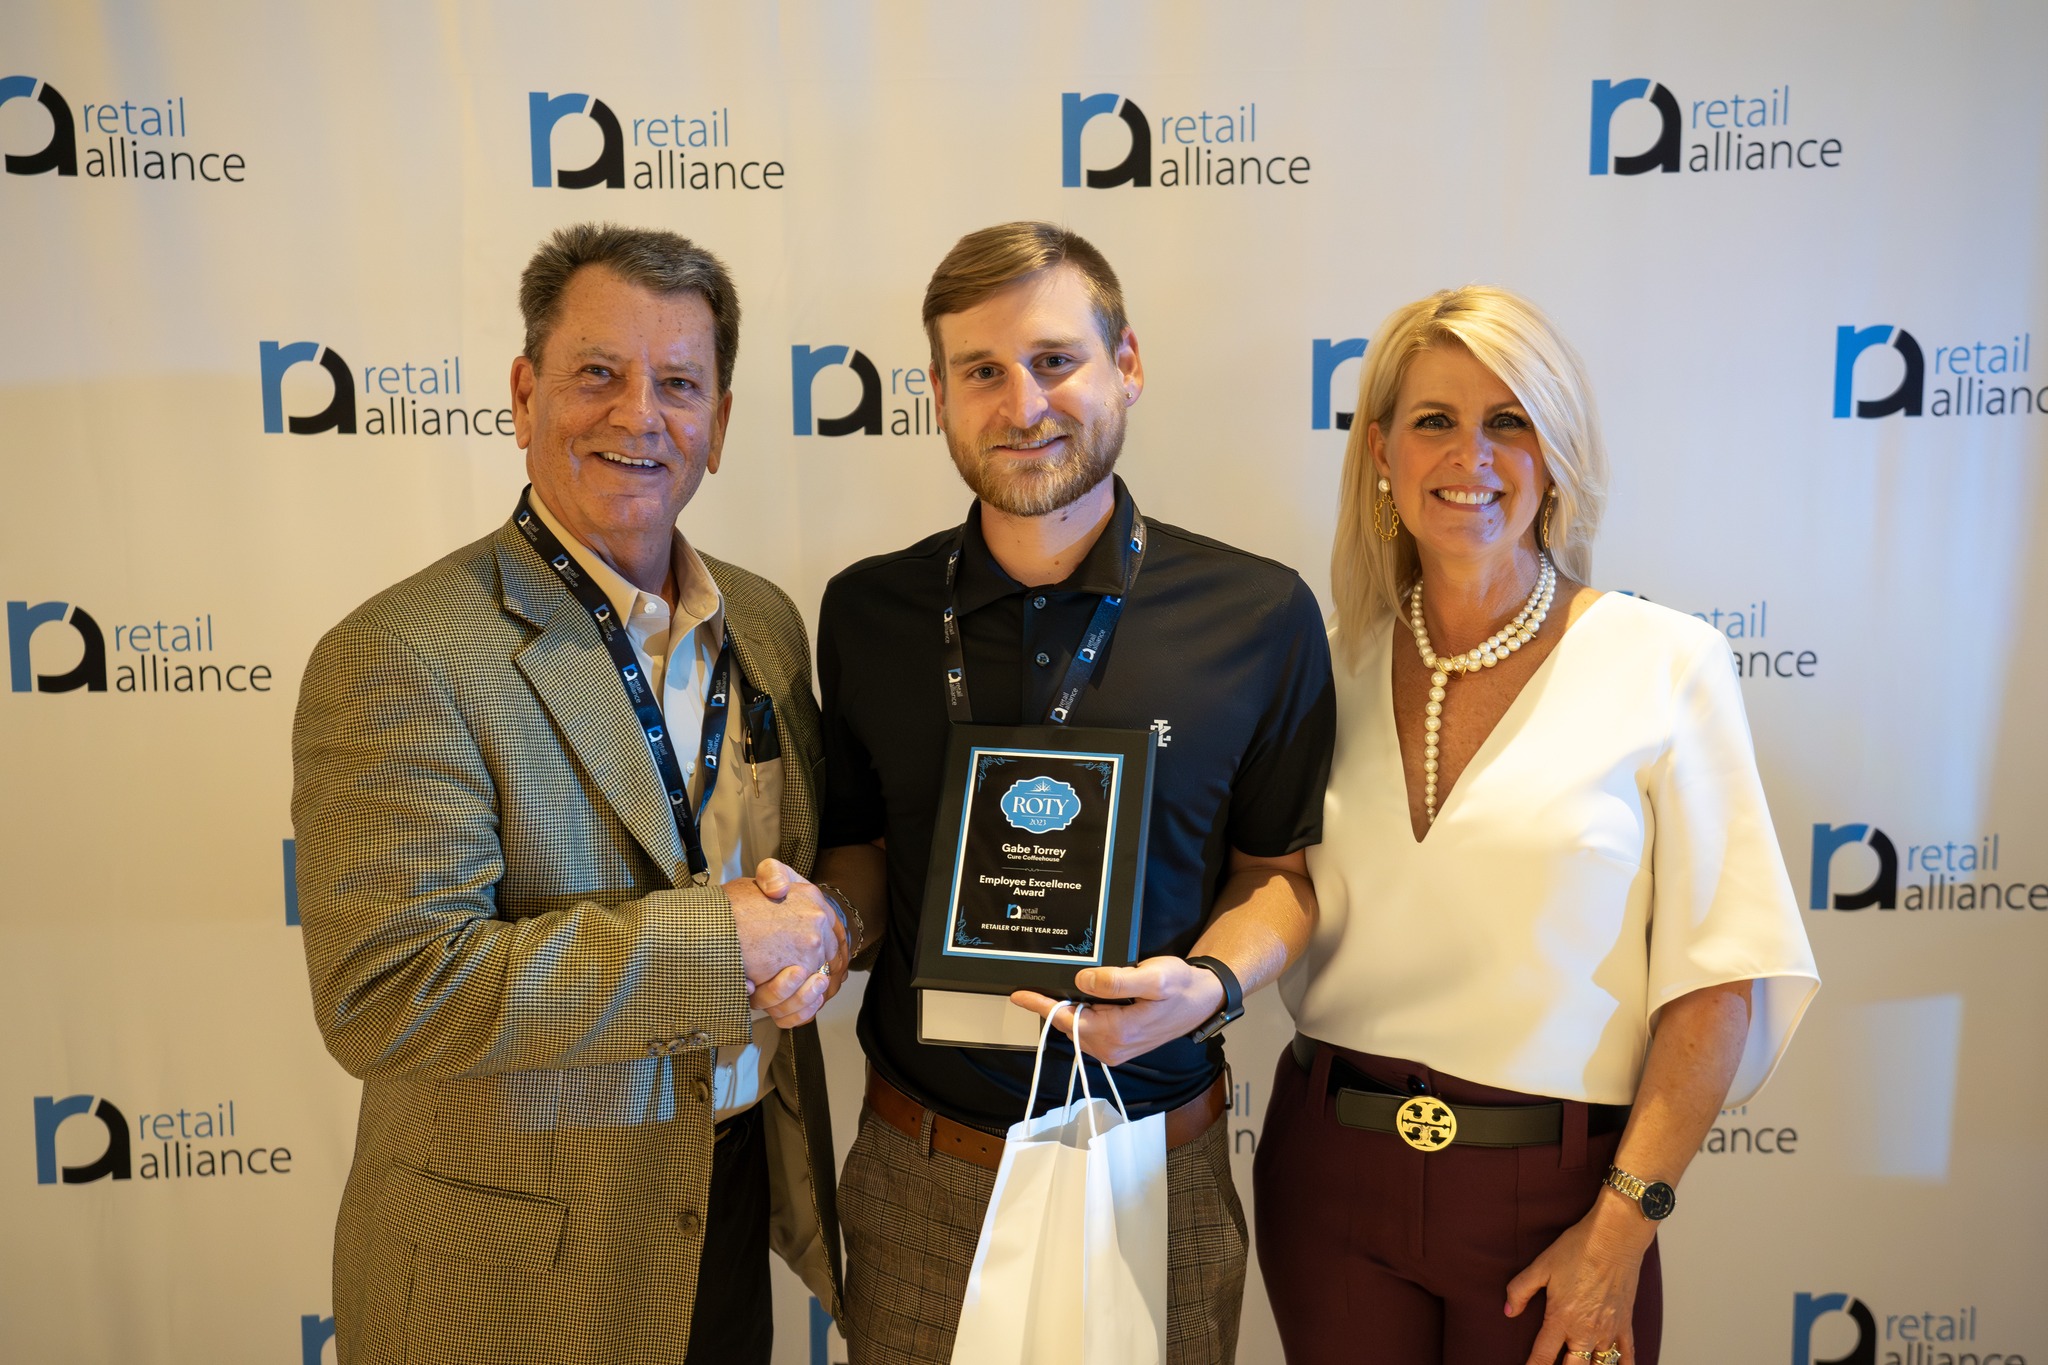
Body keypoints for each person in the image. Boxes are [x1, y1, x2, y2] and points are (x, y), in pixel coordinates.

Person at [291, 222, 850, 1365]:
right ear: (523, 393)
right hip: (514, 1262)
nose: (638, 414)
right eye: (597, 372)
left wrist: (821, 931)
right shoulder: (403, 653)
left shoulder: (766, 623)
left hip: (732, 1193)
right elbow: (388, 993)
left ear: (722, 423)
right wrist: (719, 943)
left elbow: (797, 875)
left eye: (679, 384)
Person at [1255, 285, 1821, 1365]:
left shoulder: (1664, 663)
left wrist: (1619, 1230)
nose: (1468, 454)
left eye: (1507, 420)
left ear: (1554, 453)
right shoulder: (1317, 667)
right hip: (1327, 1182)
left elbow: (1715, 989)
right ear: (1379, 450)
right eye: (1433, 421)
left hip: (1560, 1199)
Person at [809, 221, 1336, 1365]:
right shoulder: (866, 613)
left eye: (1055, 360)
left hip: (1159, 1155)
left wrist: (1204, 985)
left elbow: (1277, 878)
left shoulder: (1256, 616)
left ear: (1126, 365)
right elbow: (856, 853)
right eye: (979, 371)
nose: (1021, 402)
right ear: (939, 396)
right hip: (921, 1164)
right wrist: (827, 923)